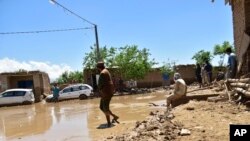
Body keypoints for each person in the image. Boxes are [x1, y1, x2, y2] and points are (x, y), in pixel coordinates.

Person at [96, 61, 119, 128]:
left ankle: (109, 124)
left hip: (105, 93)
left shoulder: (102, 73)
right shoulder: (106, 71)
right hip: (107, 92)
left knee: (105, 108)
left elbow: (100, 85)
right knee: (101, 107)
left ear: (98, 67)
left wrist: (99, 91)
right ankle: (115, 116)